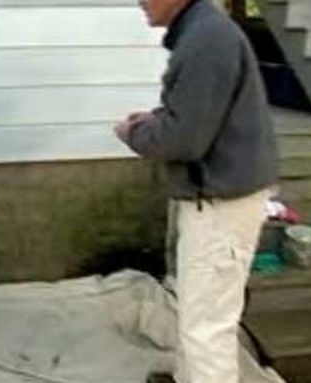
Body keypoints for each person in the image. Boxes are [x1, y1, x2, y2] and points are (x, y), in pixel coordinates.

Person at [114, 1, 278, 382]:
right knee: (196, 311)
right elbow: (199, 114)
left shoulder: (207, 39)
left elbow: (183, 142)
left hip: (223, 205)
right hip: (219, 197)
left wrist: (133, 134)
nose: (139, 0)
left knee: (207, 328)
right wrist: (156, 119)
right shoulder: (203, 30)